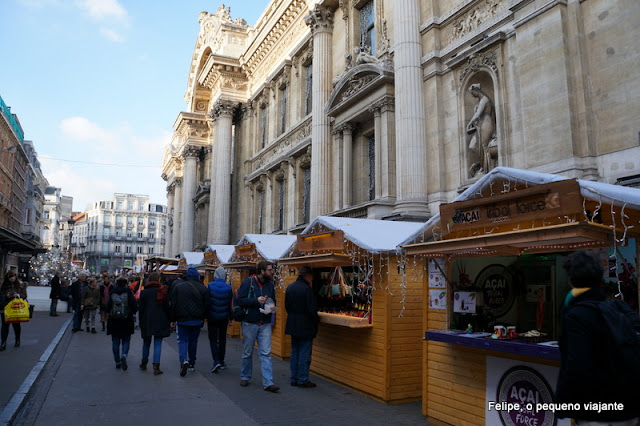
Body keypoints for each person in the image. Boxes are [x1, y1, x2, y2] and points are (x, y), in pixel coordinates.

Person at [555, 250, 640, 425]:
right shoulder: (618, 307)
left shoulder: (576, 314)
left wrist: (564, 404)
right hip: (628, 407)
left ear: (571, 280)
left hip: (596, 410)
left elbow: (577, 365)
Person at [237, 260, 278, 392]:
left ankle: (268, 382)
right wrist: (256, 300)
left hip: (265, 322)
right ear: (262, 271)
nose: (272, 272)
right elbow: (240, 300)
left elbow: (273, 300)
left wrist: (272, 307)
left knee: (265, 353)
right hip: (250, 322)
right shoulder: (248, 282)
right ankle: (245, 376)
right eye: (270, 270)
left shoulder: (270, 284)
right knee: (247, 352)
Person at [170, 267, 210, 377]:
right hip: (196, 320)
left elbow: (173, 305)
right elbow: (207, 305)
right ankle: (192, 363)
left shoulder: (179, 287)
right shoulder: (203, 288)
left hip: (182, 319)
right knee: (193, 341)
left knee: (182, 340)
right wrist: (203, 318)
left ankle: (183, 360)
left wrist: (172, 320)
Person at [285, 266, 319, 388]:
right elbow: (312, 310)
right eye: (311, 276)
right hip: (305, 325)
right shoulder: (307, 289)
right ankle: (303, 379)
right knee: (305, 353)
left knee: (295, 352)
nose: (312, 279)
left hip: (293, 324)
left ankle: (294, 378)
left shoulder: (290, 287)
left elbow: (287, 307)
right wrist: (316, 322)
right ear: (307, 275)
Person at [138, 272, 170, 375]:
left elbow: (141, 309)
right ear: (158, 280)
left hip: (147, 320)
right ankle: (156, 366)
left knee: (146, 343)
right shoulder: (163, 291)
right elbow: (166, 308)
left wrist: (140, 322)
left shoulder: (144, 292)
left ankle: (144, 362)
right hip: (160, 320)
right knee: (158, 344)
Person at [106, 277, 137, 370]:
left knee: (115, 342)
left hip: (114, 321)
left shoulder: (112, 293)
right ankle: (123, 355)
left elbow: (107, 308)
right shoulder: (129, 293)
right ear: (125, 284)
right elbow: (135, 307)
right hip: (127, 321)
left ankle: (117, 361)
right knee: (126, 340)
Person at [466, 83, 497, 177]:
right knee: (473, 146)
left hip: (486, 123)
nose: (472, 95)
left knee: (484, 146)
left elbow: (478, 114)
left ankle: (487, 169)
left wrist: (469, 123)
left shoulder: (484, 100)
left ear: (476, 90)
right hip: (479, 126)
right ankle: (483, 165)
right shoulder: (478, 102)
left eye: (472, 92)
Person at [207, 266, 232, 373]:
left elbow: (208, 303)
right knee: (222, 339)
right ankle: (222, 360)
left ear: (215, 275)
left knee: (213, 339)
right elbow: (230, 304)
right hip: (224, 317)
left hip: (212, 317)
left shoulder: (210, 286)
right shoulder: (228, 287)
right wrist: (231, 318)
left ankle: (216, 360)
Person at [1, 271, 28, 350]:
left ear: (15, 277)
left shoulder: (21, 285)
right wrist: (7, 295)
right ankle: (3, 343)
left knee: (16, 325)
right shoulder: (4, 285)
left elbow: (24, 296)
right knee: (5, 326)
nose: (12, 278)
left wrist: (18, 295)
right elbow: (1, 295)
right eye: (10, 277)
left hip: (16, 308)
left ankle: (17, 340)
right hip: (5, 308)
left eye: (13, 276)